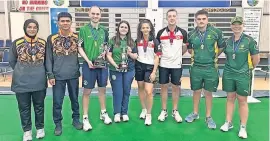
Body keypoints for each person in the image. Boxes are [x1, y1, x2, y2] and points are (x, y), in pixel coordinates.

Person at [220, 16, 260, 139]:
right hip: (228, 73)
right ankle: (228, 122)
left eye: (239, 24)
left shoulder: (249, 41)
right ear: (231, 26)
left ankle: (243, 127)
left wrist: (247, 69)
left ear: (243, 25)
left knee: (242, 100)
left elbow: (256, 59)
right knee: (230, 98)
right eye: (234, 24)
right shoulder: (227, 41)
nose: (236, 26)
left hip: (243, 74)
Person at [185, 10, 226, 129]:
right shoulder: (191, 34)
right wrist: (199, 56)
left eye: (203, 19)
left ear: (207, 20)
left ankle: (208, 117)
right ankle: (195, 113)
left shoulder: (216, 32)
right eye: (199, 19)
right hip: (196, 67)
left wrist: (213, 55)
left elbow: (222, 46)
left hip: (210, 68)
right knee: (196, 91)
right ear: (195, 20)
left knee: (208, 93)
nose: (201, 21)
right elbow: (190, 49)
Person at [9, 19, 47, 141]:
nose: (32, 29)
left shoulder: (43, 43)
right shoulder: (17, 42)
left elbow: (47, 60)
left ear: (37, 28)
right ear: (25, 28)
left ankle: (40, 128)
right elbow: (12, 61)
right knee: (24, 108)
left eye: (34, 27)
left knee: (39, 106)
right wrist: (23, 70)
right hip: (21, 82)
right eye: (29, 27)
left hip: (39, 81)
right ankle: (27, 131)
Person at [46, 12, 83, 136]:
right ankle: (58, 123)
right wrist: (50, 74)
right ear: (58, 23)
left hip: (73, 74)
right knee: (57, 101)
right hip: (58, 76)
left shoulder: (77, 37)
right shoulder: (51, 38)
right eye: (62, 21)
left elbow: (85, 51)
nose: (65, 23)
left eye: (68, 21)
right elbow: (48, 58)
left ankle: (76, 119)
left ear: (71, 22)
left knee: (75, 99)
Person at [78, 6, 112, 131]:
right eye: (93, 13)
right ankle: (85, 118)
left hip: (102, 65)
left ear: (100, 16)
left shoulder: (105, 30)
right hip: (89, 66)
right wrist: (87, 61)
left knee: (102, 89)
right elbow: (79, 47)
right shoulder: (83, 29)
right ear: (89, 14)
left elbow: (107, 45)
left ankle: (103, 113)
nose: (95, 16)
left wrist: (105, 52)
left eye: (97, 14)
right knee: (87, 92)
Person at [156, 9, 188, 123]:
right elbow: (158, 49)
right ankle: (164, 110)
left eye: (174, 16)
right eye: (169, 16)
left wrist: (177, 55)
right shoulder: (160, 33)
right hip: (163, 64)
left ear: (177, 17)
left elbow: (185, 48)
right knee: (163, 87)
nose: (172, 18)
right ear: (166, 18)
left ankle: (175, 111)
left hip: (177, 65)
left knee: (175, 87)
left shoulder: (183, 33)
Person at [106, 20, 138, 123]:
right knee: (117, 91)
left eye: (126, 27)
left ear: (128, 30)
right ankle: (117, 113)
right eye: (122, 27)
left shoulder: (132, 42)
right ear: (118, 28)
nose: (123, 29)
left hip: (129, 70)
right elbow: (108, 55)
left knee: (126, 91)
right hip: (115, 70)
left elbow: (135, 56)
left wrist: (129, 53)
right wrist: (116, 65)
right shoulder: (112, 40)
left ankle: (124, 113)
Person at [135, 19, 161, 125]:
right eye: (143, 27)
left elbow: (157, 57)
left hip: (150, 67)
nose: (145, 29)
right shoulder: (137, 41)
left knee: (149, 91)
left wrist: (154, 71)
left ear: (150, 29)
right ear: (141, 29)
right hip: (139, 66)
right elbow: (134, 54)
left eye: (147, 27)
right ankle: (144, 109)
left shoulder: (155, 41)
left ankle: (149, 115)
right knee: (141, 88)